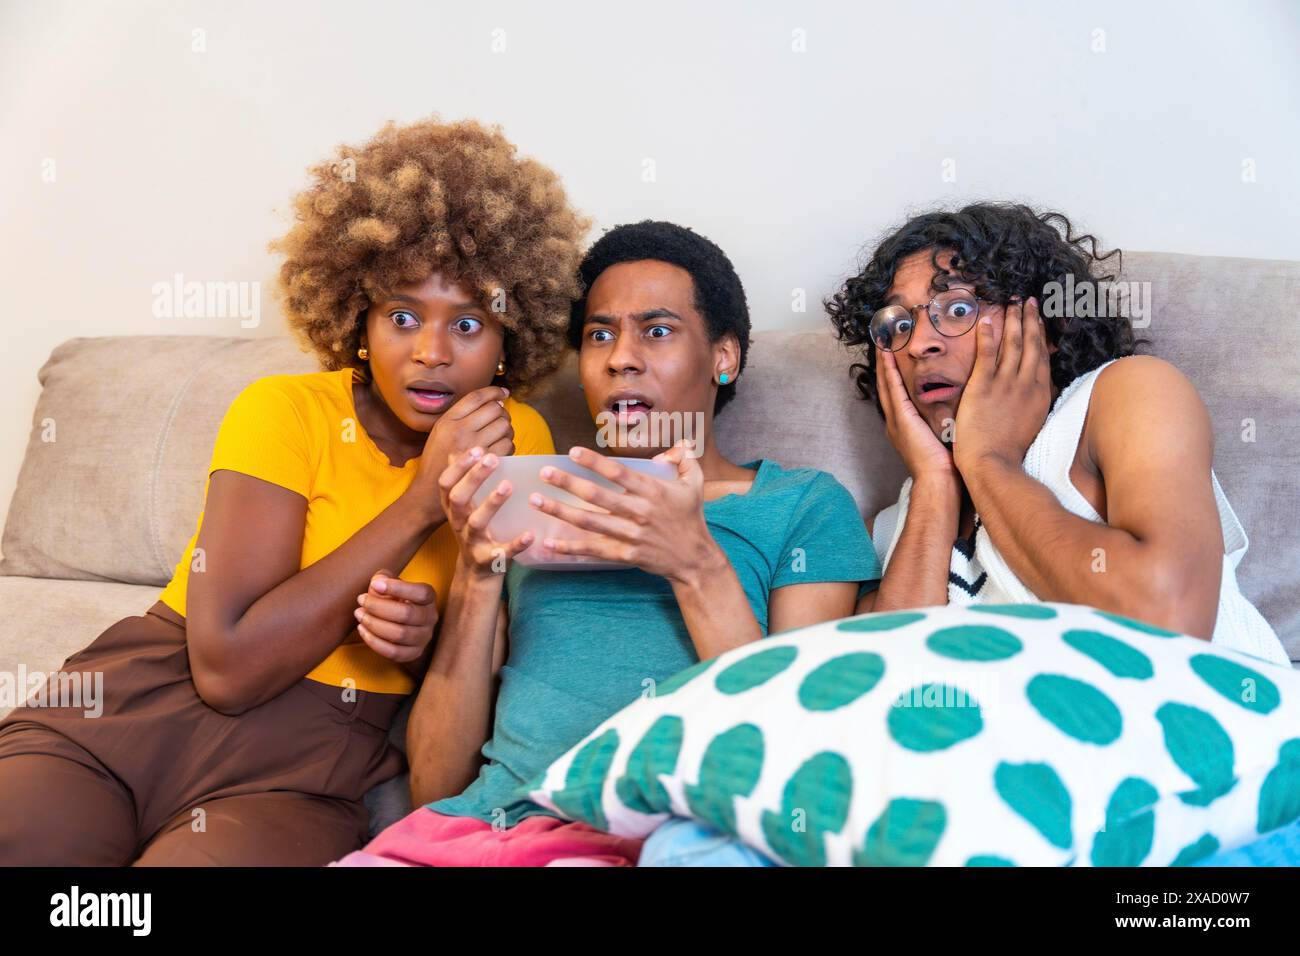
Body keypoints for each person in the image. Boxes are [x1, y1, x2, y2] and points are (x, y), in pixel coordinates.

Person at [0, 117, 586, 865]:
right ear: (360, 320)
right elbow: (228, 668)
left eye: (469, 323)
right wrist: (419, 505)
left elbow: (482, 675)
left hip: (300, 775)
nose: (432, 353)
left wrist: (417, 649)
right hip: (125, 718)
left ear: (510, 337)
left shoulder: (520, 440)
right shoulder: (284, 410)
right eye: (402, 317)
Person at [334, 220, 880, 867]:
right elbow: (433, 787)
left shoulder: (799, 505)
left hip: (668, 837)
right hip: (482, 834)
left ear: (724, 357)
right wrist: (478, 578)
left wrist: (693, 562)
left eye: (656, 330)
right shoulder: (527, 497)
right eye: (600, 335)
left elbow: (787, 745)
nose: (621, 357)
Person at [829, 202, 1288, 667]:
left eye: (959, 308)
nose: (922, 343)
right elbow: (881, 693)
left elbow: (1167, 621)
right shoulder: (892, 527)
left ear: (1045, 327)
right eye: (899, 324)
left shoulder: (1126, 396)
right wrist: (933, 484)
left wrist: (988, 461)